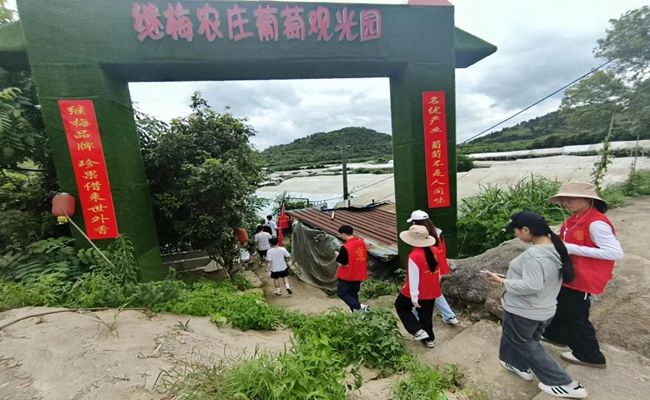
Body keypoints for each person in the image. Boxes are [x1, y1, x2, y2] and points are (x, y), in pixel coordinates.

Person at [484, 211, 587, 399]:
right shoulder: (555, 246)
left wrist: (502, 282)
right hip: (544, 308)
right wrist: (507, 278)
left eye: (516, 231)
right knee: (517, 337)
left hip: (525, 310)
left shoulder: (534, 254)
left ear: (526, 230)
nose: (515, 235)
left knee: (526, 344)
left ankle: (563, 383)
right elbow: (541, 279)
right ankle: (515, 363)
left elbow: (532, 286)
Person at [543, 181, 624, 369]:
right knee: (561, 305)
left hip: (584, 277)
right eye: (564, 199)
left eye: (572, 198)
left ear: (588, 199)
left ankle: (590, 355)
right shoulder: (577, 218)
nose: (567, 202)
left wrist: (571, 248)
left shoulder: (596, 223)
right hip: (571, 274)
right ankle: (556, 335)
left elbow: (615, 252)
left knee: (576, 315)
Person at [407, 210, 460, 326]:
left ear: (416, 222)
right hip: (438, 267)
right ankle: (450, 316)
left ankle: (413, 316)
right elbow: (442, 250)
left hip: (426, 268)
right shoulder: (438, 231)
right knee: (435, 292)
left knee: (423, 292)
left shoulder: (423, 236)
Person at [394, 225, 441, 348]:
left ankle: (417, 330)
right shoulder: (435, 250)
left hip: (417, 291)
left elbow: (414, 278)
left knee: (401, 306)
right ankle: (429, 339)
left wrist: (414, 298)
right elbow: (438, 271)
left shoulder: (414, 256)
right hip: (432, 289)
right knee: (426, 315)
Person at [335, 225, 369, 312]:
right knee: (353, 294)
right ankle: (356, 312)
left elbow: (341, 263)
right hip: (359, 273)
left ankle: (359, 307)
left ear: (343, 234)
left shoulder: (345, 247)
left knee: (341, 293)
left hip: (348, 275)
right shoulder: (361, 242)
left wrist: (337, 255)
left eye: (341, 235)